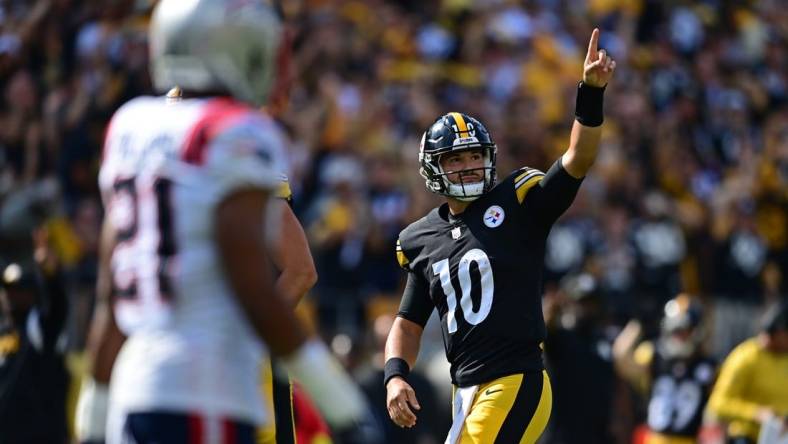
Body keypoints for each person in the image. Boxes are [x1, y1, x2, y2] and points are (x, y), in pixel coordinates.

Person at [74, 1, 368, 443]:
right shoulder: (238, 131)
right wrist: (342, 406)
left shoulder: (128, 125)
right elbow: (251, 287)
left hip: (135, 387)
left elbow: (111, 290)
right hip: (205, 388)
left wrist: (92, 413)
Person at [384, 28, 616, 443]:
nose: (470, 166)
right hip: (466, 391)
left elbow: (578, 159)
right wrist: (395, 376)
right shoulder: (420, 239)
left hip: (516, 378)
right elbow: (408, 323)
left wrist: (591, 92)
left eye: (476, 155)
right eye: (457, 159)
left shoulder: (517, 201)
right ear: (434, 168)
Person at [165, 85, 319, 444]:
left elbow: (300, 270)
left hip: (240, 363)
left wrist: (242, 336)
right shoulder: (160, 173)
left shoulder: (239, 151)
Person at [613, 294, 717, 444]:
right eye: (674, 330)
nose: (678, 336)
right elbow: (621, 358)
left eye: (683, 330)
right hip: (655, 439)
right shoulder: (654, 355)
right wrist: (637, 325)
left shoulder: (708, 365)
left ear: (696, 330)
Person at [0, 229, 69, 444]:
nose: (11, 296)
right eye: (7, 290)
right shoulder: (3, 333)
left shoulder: (38, 328)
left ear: (32, 294)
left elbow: (56, 310)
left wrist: (50, 277)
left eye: (19, 290)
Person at [542, 273, 619, 444]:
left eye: (590, 303)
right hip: (561, 436)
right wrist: (552, 306)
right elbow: (545, 329)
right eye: (580, 302)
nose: (585, 308)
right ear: (568, 303)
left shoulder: (604, 341)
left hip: (598, 435)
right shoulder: (559, 338)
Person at [706, 299, 788, 444]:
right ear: (779, 331)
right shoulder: (745, 357)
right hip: (746, 437)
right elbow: (717, 404)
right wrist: (755, 413)